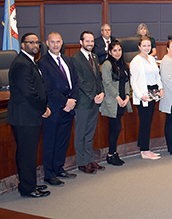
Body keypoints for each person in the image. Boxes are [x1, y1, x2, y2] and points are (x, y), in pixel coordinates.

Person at [8, 33, 51, 198]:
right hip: (25, 117)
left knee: (30, 152)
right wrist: (43, 109)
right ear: (22, 45)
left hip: (30, 116)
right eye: (30, 42)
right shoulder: (21, 64)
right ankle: (27, 188)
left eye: (37, 43)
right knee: (26, 153)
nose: (35, 45)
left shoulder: (29, 61)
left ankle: (29, 183)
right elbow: (29, 93)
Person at [38, 32, 79, 186]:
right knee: (50, 142)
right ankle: (49, 174)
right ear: (47, 44)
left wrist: (73, 100)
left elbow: (76, 81)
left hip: (69, 108)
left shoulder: (68, 60)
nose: (55, 45)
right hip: (54, 108)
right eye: (52, 42)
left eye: (58, 42)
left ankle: (59, 168)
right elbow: (47, 88)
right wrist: (65, 102)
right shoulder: (43, 63)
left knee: (63, 140)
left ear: (62, 42)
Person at [71, 31, 105, 174]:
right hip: (83, 102)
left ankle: (90, 159)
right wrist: (93, 96)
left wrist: (102, 92)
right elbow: (80, 81)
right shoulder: (75, 59)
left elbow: (98, 77)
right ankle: (82, 162)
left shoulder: (95, 57)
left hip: (95, 101)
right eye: (87, 41)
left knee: (90, 133)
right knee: (81, 134)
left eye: (92, 41)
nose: (90, 43)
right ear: (81, 42)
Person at [130, 37, 165, 159]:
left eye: (149, 45)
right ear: (139, 47)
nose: (147, 48)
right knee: (145, 123)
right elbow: (133, 82)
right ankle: (145, 151)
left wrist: (161, 88)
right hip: (143, 95)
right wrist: (141, 96)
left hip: (153, 93)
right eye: (144, 46)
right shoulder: (136, 61)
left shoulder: (151, 58)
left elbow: (157, 76)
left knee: (148, 121)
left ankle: (144, 146)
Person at [100, 41, 132, 166]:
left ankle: (113, 153)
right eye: (114, 50)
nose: (117, 53)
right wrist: (117, 97)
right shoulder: (107, 64)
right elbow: (106, 83)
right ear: (109, 52)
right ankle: (111, 154)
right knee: (115, 128)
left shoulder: (123, 64)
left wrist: (128, 95)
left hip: (122, 101)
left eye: (119, 50)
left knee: (116, 128)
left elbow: (127, 81)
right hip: (113, 101)